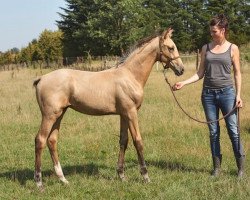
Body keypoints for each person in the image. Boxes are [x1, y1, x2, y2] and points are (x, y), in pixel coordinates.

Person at [173, 14, 245, 178]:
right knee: (213, 132)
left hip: (227, 94)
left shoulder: (233, 48)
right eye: (211, 31)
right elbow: (200, 73)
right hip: (208, 96)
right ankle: (217, 168)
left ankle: (240, 168)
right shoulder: (206, 48)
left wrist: (238, 95)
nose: (212, 34)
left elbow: (238, 74)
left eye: (214, 31)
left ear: (223, 30)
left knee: (233, 130)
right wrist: (183, 83)